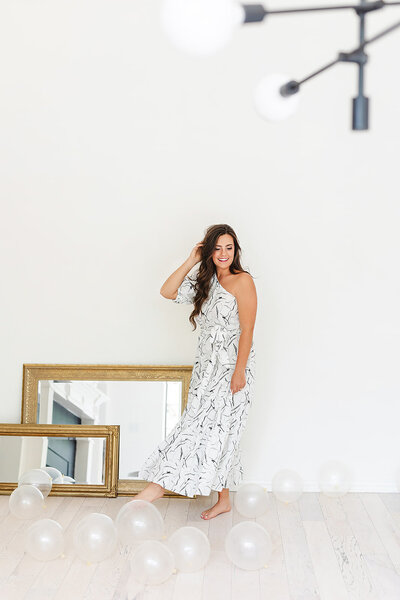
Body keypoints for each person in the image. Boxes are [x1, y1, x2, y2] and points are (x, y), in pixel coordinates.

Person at [136, 224, 257, 520]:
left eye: (229, 248)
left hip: (232, 370)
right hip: (205, 370)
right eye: (217, 248)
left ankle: (157, 486)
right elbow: (167, 291)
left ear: (236, 250)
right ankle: (222, 499)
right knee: (202, 427)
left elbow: (247, 330)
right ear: (209, 250)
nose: (224, 254)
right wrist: (192, 260)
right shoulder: (205, 281)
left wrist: (239, 372)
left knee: (222, 431)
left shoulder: (243, 281)